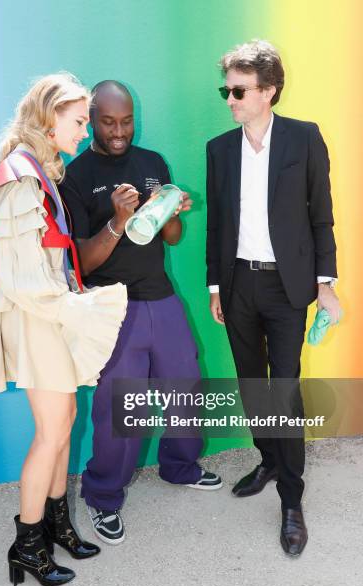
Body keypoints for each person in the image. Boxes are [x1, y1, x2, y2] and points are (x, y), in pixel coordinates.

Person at [0, 73, 127, 586]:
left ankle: (58, 525)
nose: (85, 132)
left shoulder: (38, 171)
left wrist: (69, 301)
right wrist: (71, 309)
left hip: (50, 310)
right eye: (79, 121)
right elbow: (15, 274)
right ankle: (28, 544)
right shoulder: (19, 175)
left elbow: (48, 260)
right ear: (49, 116)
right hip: (37, 314)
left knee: (65, 419)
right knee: (52, 431)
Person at [59, 80, 222, 545]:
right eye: (108, 122)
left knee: (186, 390)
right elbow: (82, 261)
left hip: (161, 296)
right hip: (111, 306)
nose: (118, 131)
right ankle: (104, 496)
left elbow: (169, 236)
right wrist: (117, 219)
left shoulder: (152, 163)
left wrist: (171, 209)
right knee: (120, 412)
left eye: (126, 121)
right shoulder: (76, 175)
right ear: (91, 120)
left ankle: (180, 467)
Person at [206, 41, 341, 556]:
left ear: (269, 91)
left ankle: (291, 497)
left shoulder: (304, 139)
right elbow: (217, 224)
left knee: (283, 389)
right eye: (227, 89)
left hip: (289, 288)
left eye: (238, 90)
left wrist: (324, 282)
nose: (230, 99)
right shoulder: (220, 149)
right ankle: (267, 457)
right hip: (238, 283)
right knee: (250, 383)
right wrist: (216, 286)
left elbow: (321, 214)